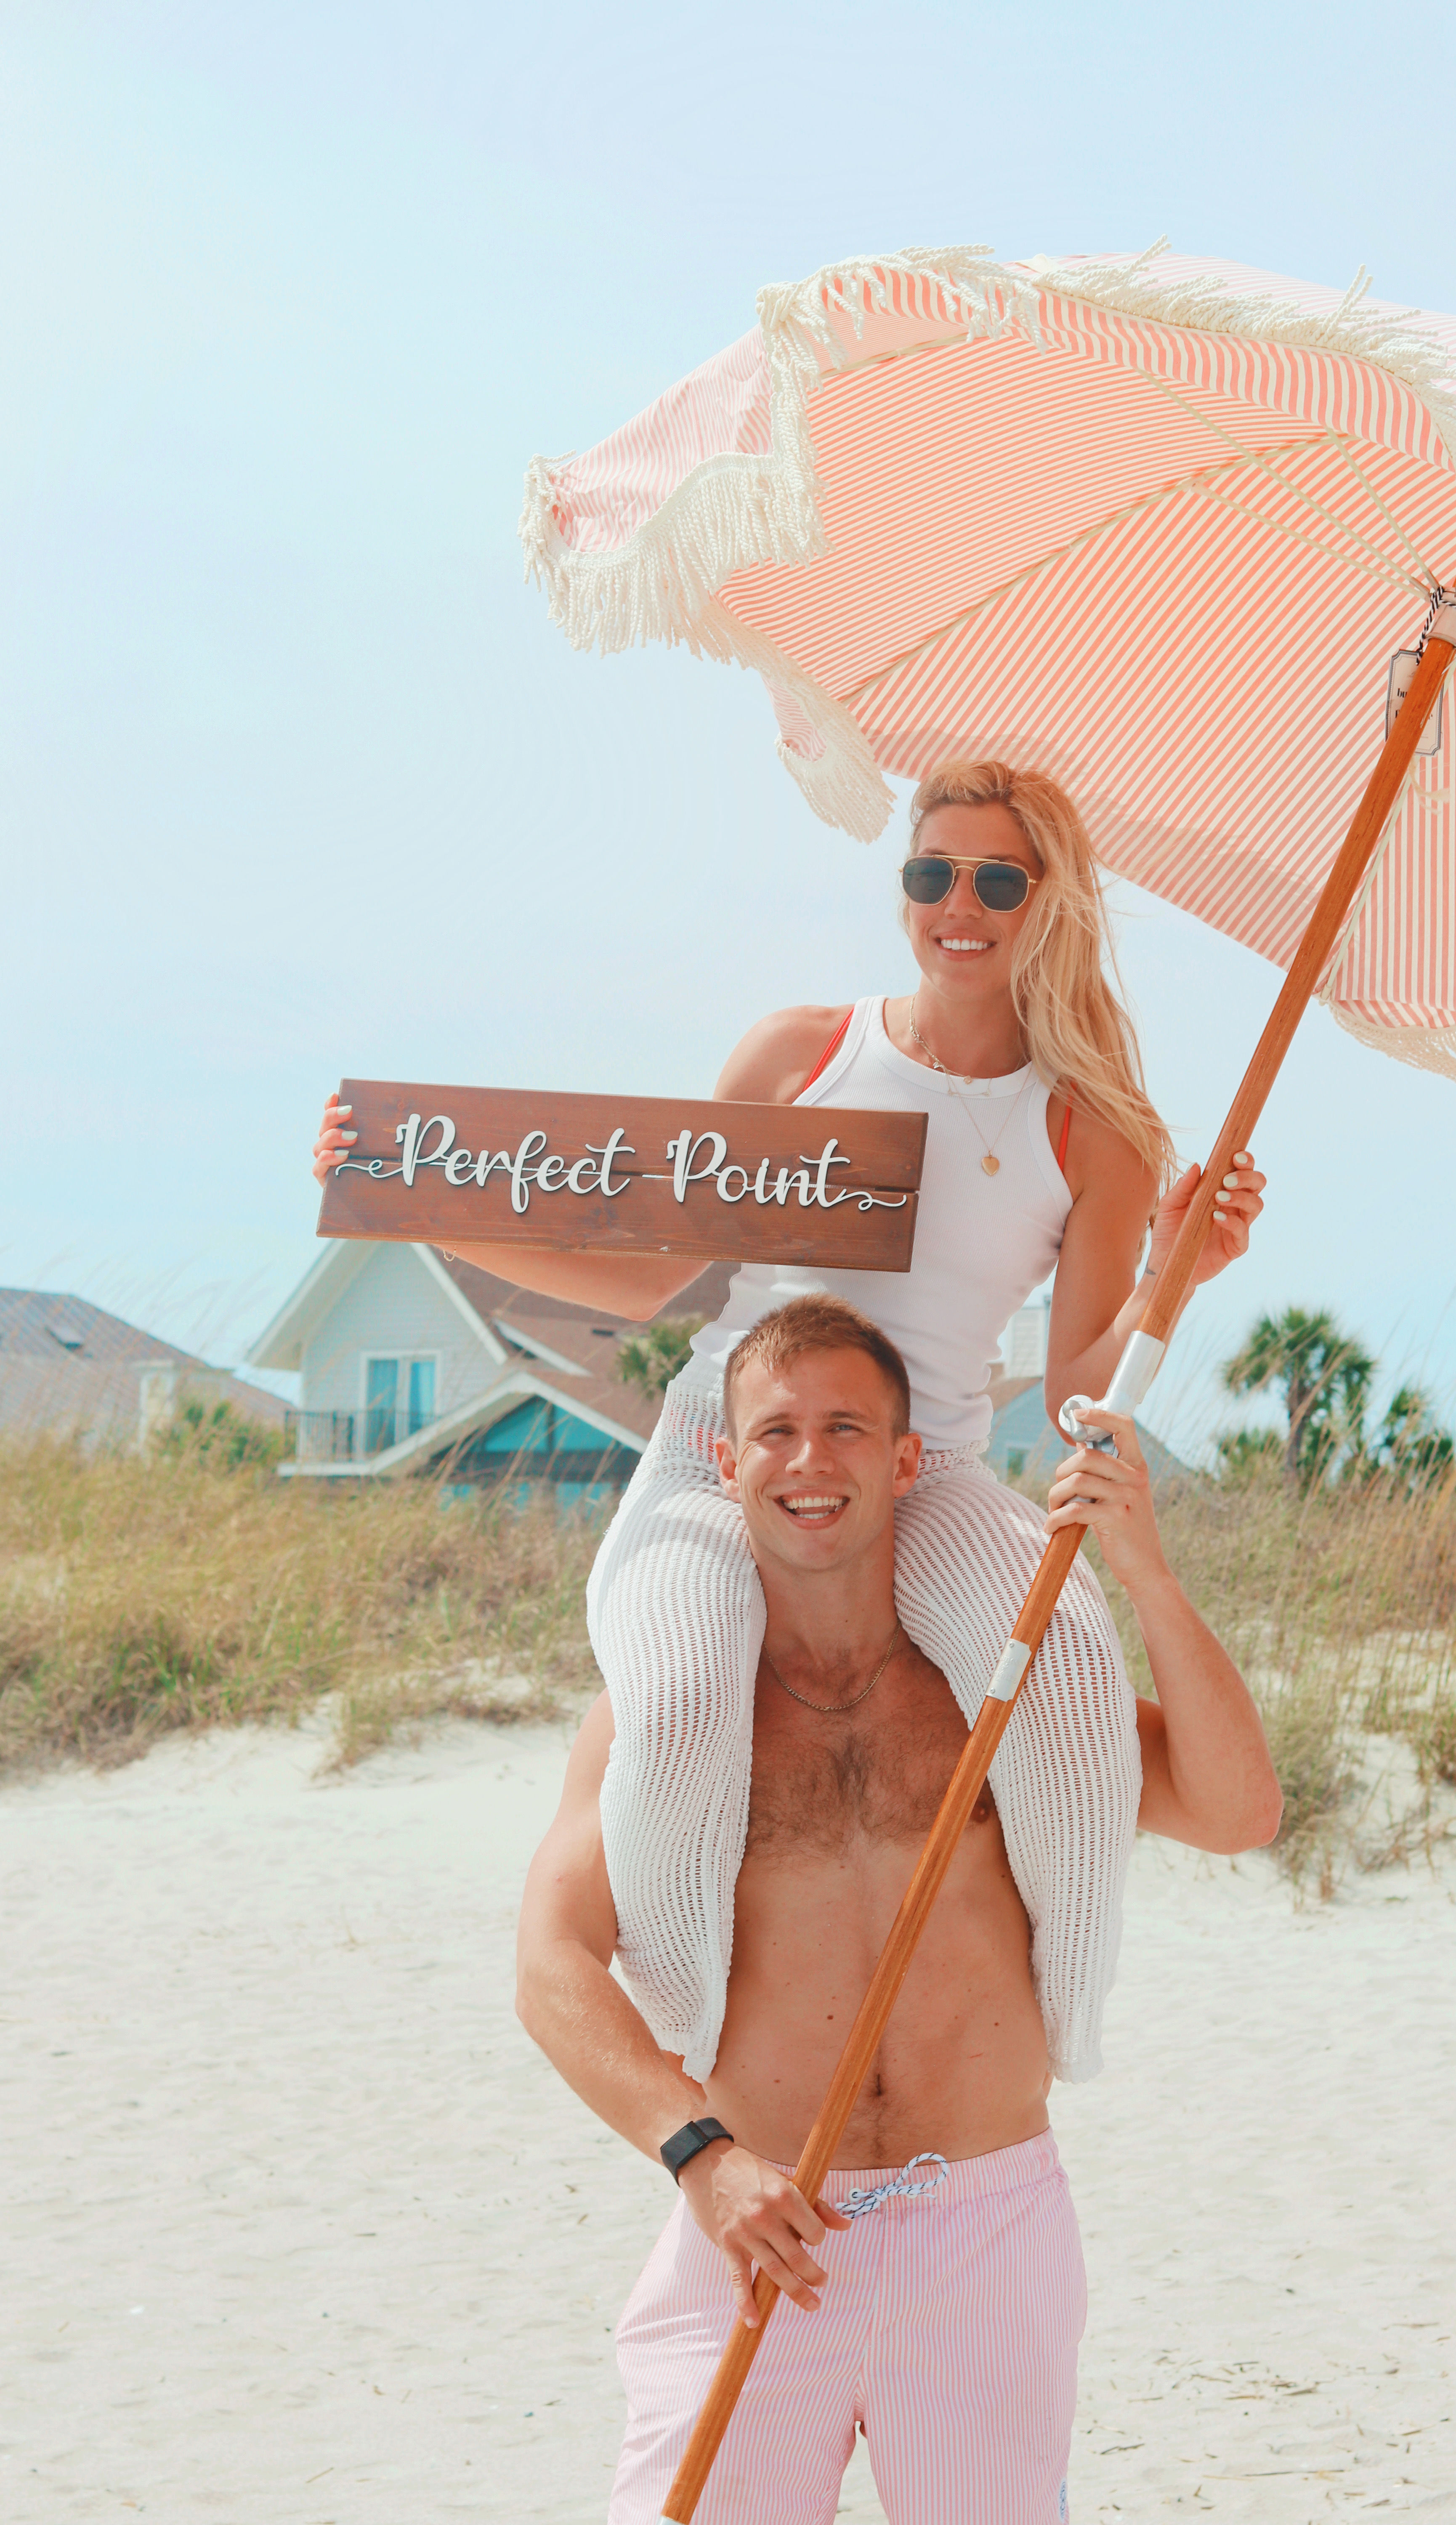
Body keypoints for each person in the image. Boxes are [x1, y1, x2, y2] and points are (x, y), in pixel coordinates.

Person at [312, 759, 1265, 2086]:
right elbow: (650, 1275)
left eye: (999, 877)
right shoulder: (804, 1052)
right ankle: (698, 2044)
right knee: (688, 1702)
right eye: (932, 874)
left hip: (924, 1465)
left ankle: (1066, 2022)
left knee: (1074, 1687)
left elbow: (1073, 1395)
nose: (961, 905)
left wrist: (1177, 1275)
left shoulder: (1095, 1127)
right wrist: (415, 1208)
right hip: (735, 1443)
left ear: (1054, 901)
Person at [516, 1295, 1281, 2524]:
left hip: (983, 2228)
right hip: (755, 2228)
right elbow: (550, 1963)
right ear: (723, 1463)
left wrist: (1142, 1569)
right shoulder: (668, 1716)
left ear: (910, 1458)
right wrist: (698, 2157)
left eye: (847, 1428)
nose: (809, 1462)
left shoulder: (1008, 1692)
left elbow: (1238, 1810)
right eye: (773, 1432)